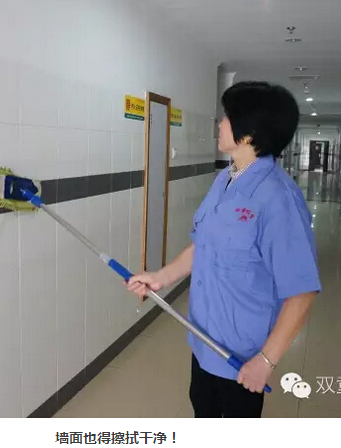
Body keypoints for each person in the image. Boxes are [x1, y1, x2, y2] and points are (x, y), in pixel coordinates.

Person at [126, 81, 321, 418]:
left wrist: (266, 360)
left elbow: (301, 292)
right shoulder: (225, 179)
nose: (220, 123)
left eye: (227, 117)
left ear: (249, 133)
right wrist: (161, 277)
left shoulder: (278, 199)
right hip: (203, 342)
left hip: (240, 359)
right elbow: (204, 246)